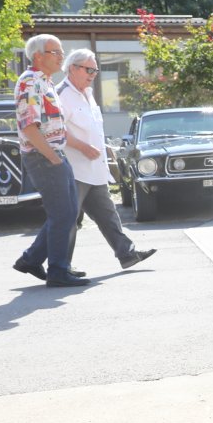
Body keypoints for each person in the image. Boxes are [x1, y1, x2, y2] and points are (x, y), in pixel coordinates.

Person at [57, 49, 157, 270]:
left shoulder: (87, 93)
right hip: (75, 171)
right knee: (68, 220)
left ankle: (127, 254)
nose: (93, 75)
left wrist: (105, 151)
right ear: (73, 68)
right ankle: (57, 266)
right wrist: (83, 147)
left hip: (95, 169)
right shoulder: (61, 94)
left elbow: (94, 129)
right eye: (89, 70)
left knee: (108, 214)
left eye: (96, 70)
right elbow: (57, 131)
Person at [11, 34, 88, 288]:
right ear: (38, 56)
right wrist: (53, 157)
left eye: (61, 51)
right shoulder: (30, 81)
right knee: (63, 214)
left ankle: (32, 260)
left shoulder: (45, 81)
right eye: (55, 52)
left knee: (68, 212)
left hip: (53, 154)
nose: (61, 56)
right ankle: (57, 270)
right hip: (43, 156)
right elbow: (29, 126)